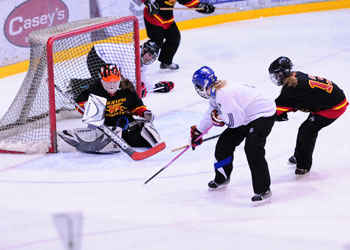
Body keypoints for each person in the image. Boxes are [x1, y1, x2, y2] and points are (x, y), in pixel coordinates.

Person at [190, 66, 276, 204]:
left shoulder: (222, 94)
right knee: (224, 144)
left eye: (199, 86)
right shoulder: (215, 93)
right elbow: (212, 112)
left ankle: (263, 189)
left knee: (252, 148)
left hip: (263, 114)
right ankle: (222, 177)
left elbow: (236, 121)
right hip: (247, 115)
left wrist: (221, 119)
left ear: (205, 83)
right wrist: (198, 132)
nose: (199, 90)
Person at [268, 56, 348, 176]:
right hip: (328, 102)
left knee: (307, 130)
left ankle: (303, 165)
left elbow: (273, 110)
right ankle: (299, 155)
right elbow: (300, 100)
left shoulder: (292, 87)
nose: (276, 78)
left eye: (277, 75)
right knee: (306, 129)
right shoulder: (295, 76)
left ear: (283, 73)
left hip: (334, 107)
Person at [59, 63, 161, 153]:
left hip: (123, 122)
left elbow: (135, 105)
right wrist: (85, 106)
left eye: (115, 83)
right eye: (108, 83)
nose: (112, 86)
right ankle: (95, 136)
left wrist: (144, 112)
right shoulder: (95, 88)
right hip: (104, 125)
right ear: (102, 80)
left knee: (144, 141)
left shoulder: (127, 86)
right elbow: (80, 102)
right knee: (109, 146)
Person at [142, 0, 215, 70]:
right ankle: (138, 62)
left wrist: (201, 6)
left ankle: (166, 62)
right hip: (154, 17)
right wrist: (148, 2)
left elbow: (187, 1)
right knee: (156, 43)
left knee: (174, 39)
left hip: (168, 19)